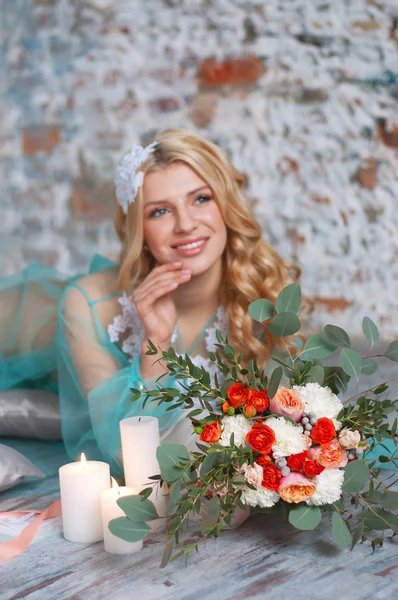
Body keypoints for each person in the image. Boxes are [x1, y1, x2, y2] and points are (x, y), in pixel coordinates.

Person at [0, 128, 304, 475]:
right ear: (139, 232)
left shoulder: (261, 294)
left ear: (227, 207)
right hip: (18, 332)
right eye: (160, 212)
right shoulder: (89, 304)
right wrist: (155, 345)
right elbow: (123, 451)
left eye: (201, 199)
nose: (186, 224)